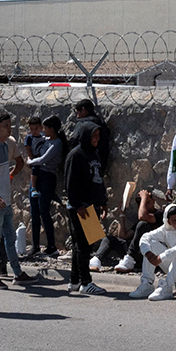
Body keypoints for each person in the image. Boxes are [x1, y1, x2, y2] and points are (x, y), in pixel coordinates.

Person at [0, 111, 32, 288]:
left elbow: (14, 166)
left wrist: (9, 178)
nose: (9, 129)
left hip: (6, 200)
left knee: (10, 238)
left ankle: (17, 273)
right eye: (5, 126)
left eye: (10, 125)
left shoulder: (5, 146)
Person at [63, 120, 108, 295]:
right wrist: (77, 204)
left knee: (84, 244)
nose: (97, 138)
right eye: (94, 135)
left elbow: (98, 179)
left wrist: (103, 201)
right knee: (82, 245)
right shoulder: (76, 155)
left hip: (92, 205)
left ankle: (74, 280)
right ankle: (85, 282)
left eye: (98, 135)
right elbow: (70, 183)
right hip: (80, 207)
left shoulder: (94, 154)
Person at [26, 114, 64, 258]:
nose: (44, 131)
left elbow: (43, 159)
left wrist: (29, 162)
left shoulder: (56, 143)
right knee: (34, 212)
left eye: (46, 128)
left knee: (44, 211)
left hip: (47, 177)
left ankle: (51, 245)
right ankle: (35, 245)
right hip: (37, 176)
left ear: (52, 129)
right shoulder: (45, 140)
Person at [112, 189, 164, 274]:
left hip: (152, 253)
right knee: (110, 240)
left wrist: (144, 198)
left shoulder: (159, 214)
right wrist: (121, 215)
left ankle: (130, 258)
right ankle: (97, 260)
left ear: (154, 201)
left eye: (148, 202)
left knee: (142, 224)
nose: (145, 206)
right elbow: (123, 236)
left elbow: (142, 216)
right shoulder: (140, 222)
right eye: (143, 203)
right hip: (139, 252)